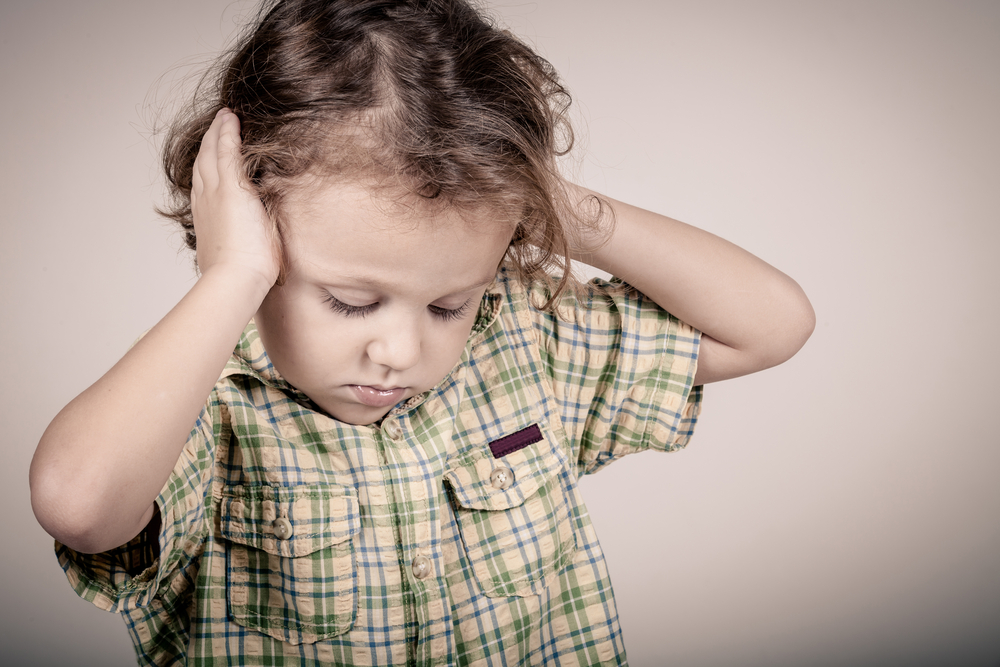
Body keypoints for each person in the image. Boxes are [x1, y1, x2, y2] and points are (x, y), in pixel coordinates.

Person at [30, 0, 814, 664]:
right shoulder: (207, 408)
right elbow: (79, 501)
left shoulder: (523, 347)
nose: (402, 352)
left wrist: (547, 201)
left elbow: (770, 325)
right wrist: (229, 276)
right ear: (247, 233)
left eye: (447, 305)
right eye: (349, 300)